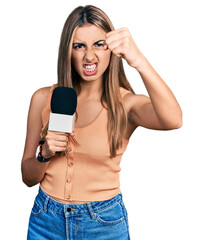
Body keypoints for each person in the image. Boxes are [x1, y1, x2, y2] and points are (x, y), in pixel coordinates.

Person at [21, 5, 182, 240]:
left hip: (102, 224)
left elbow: (174, 120)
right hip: (45, 221)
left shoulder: (125, 104)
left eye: (99, 44)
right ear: (68, 50)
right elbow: (28, 177)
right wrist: (44, 153)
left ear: (112, 49)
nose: (89, 56)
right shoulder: (43, 99)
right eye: (79, 46)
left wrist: (138, 60)